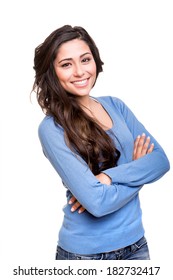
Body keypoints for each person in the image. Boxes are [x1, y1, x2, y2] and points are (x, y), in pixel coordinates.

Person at [32, 25, 170, 260]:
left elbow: (160, 161)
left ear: (95, 61)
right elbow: (98, 203)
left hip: (136, 246)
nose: (79, 71)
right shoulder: (52, 128)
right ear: (53, 72)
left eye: (85, 60)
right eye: (66, 64)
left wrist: (109, 177)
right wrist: (139, 171)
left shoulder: (115, 105)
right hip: (85, 256)